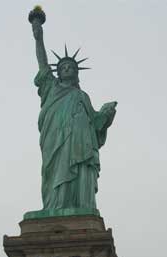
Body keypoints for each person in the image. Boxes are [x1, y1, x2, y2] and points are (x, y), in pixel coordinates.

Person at [31, 17, 117, 211]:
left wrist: (107, 114)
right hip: (54, 139)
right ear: (58, 73)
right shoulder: (51, 88)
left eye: (71, 67)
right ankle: (54, 207)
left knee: (80, 171)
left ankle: (79, 205)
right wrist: (38, 38)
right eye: (63, 68)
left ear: (76, 73)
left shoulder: (82, 96)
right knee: (53, 172)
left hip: (80, 142)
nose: (67, 69)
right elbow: (43, 64)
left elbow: (96, 124)